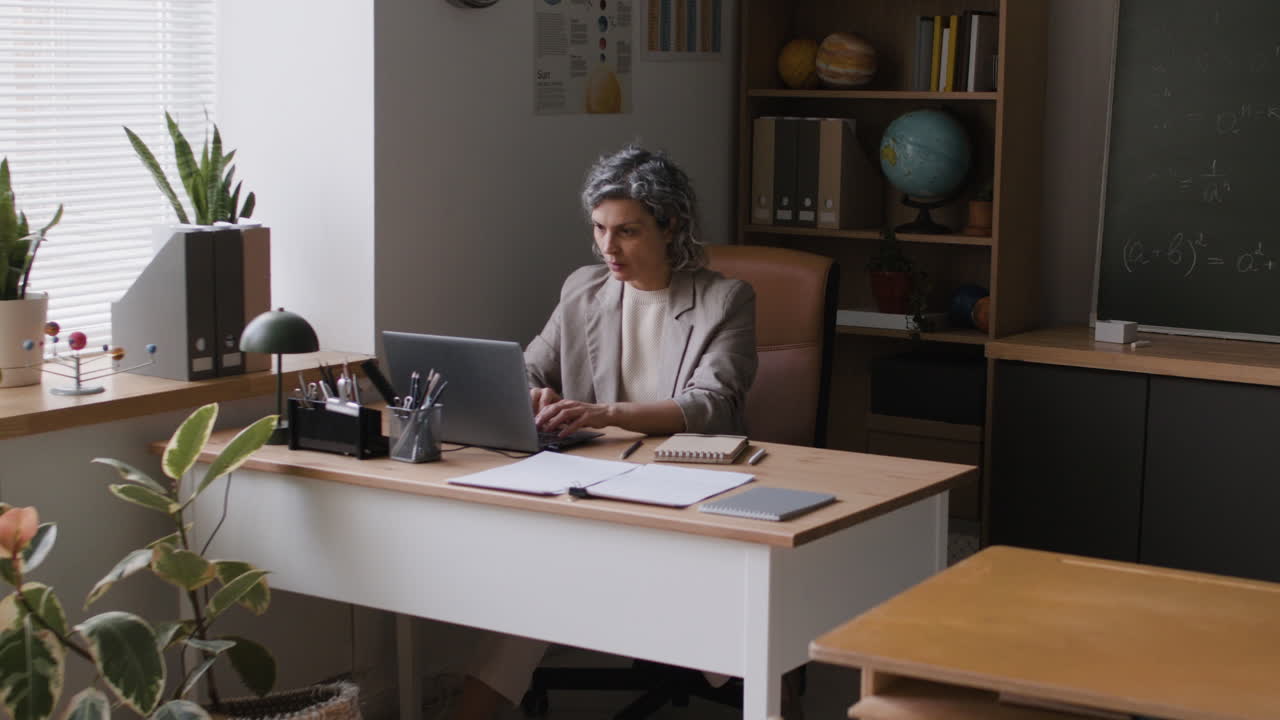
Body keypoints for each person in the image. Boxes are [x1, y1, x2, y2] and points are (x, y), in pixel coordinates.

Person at [452, 145, 758, 719]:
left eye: (628, 231)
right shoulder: (583, 290)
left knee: (735, 627)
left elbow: (711, 404)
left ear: (671, 226)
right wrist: (533, 395)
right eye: (599, 228)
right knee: (529, 587)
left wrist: (607, 412)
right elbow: (526, 368)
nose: (608, 247)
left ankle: (765, 690)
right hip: (592, 487)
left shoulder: (724, 300)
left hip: (688, 491)